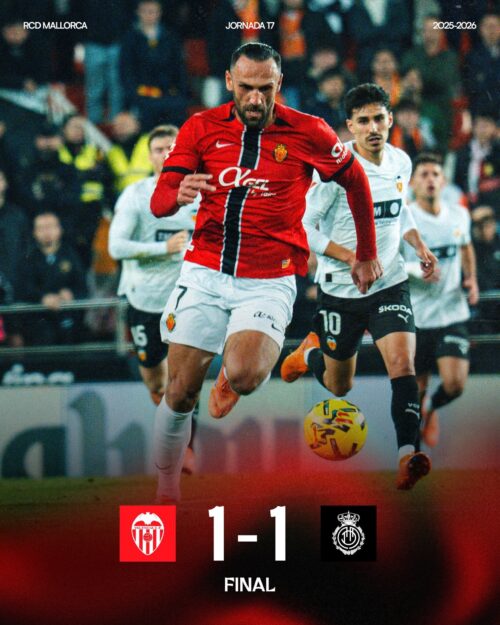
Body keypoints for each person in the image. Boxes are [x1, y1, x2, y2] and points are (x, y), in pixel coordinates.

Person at [150, 42, 382, 501]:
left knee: (245, 376)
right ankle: (167, 486)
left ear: (279, 84)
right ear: (229, 82)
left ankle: (230, 372)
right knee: (178, 392)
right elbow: (160, 201)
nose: (255, 99)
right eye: (246, 88)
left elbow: (355, 180)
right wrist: (176, 195)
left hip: (268, 278)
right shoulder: (200, 127)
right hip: (204, 271)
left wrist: (366, 253)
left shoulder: (310, 131)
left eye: (265, 88)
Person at [281, 83, 437, 490]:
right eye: (363, 121)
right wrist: (352, 257)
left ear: (390, 120)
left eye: (379, 119)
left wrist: (418, 244)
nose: (373, 128)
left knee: (403, 365)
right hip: (341, 290)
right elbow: (303, 227)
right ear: (349, 126)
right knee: (339, 384)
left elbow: (399, 211)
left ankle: (407, 455)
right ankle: (310, 353)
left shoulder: (401, 161)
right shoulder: (334, 172)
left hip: (390, 283)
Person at [108, 124, 199, 473]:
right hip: (144, 300)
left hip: (187, 298)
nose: (166, 154)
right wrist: (165, 248)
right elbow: (116, 247)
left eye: (171, 148)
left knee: (185, 381)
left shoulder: (200, 194)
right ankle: (172, 430)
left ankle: (186, 449)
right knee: (158, 384)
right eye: (159, 149)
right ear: (149, 157)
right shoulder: (135, 195)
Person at [402, 153, 479, 449]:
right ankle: (414, 455)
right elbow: (389, 262)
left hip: (451, 311)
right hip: (418, 316)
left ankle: (433, 407)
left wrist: (471, 278)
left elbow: (466, 246)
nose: (430, 180)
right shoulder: (404, 220)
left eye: (435, 174)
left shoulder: (459, 214)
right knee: (416, 389)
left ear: (444, 181)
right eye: (424, 174)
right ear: (413, 183)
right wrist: (416, 271)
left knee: (455, 384)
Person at [22, 211, 88, 345]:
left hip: (69, 323)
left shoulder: (71, 255)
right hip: (39, 324)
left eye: (51, 227)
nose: (47, 232)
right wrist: (42, 298)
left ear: (60, 229)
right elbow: (24, 288)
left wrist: (71, 294)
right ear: (34, 232)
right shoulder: (28, 258)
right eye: (41, 228)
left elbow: (82, 286)